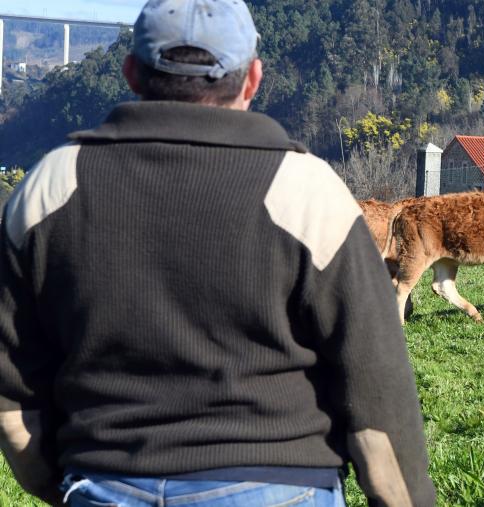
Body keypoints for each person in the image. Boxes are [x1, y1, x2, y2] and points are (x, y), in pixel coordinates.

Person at [0, 0, 435, 505]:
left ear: (130, 72)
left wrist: (66, 484)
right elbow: (376, 390)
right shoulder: (309, 191)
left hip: (106, 481)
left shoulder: (51, 187)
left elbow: (13, 391)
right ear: (252, 79)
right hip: (281, 484)